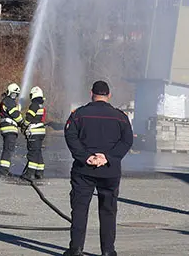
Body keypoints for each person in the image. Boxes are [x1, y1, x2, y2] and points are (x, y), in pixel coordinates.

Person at [64, 81, 133, 256]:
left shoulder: (79, 114)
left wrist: (85, 156)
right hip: (109, 170)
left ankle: (76, 250)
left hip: (83, 170)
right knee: (108, 211)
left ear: (91, 93)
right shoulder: (120, 117)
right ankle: (108, 251)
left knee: (80, 209)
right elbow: (127, 141)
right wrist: (107, 158)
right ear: (109, 95)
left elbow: (70, 136)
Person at [0, 83, 24, 177]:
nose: (14, 96)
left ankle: (4, 170)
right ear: (9, 93)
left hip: (6, 126)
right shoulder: (9, 101)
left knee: (7, 148)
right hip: (9, 127)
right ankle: (3, 171)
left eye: (16, 94)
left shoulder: (6, 101)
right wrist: (22, 123)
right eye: (13, 94)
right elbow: (15, 114)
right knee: (8, 149)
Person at [21, 86, 47, 181]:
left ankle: (29, 173)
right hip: (41, 131)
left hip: (34, 132)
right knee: (38, 152)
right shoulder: (41, 105)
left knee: (33, 152)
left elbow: (29, 117)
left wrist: (24, 125)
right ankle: (39, 172)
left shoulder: (34, 105)